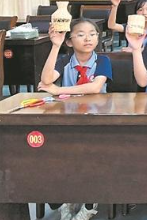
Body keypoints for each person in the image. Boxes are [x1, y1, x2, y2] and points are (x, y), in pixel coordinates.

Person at [39, 18, 113, 220]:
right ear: (69, 41)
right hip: (69, 120)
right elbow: (46, 80)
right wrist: (55, 46)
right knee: (59, 157)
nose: (88, 38)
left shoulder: (102, 61)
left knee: (91, 158)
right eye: (80, 35)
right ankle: (67, 197)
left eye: (92, 34)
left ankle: (89, 203)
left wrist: (59, 90)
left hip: (97, 121)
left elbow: (94, 87)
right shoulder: (65, 61)